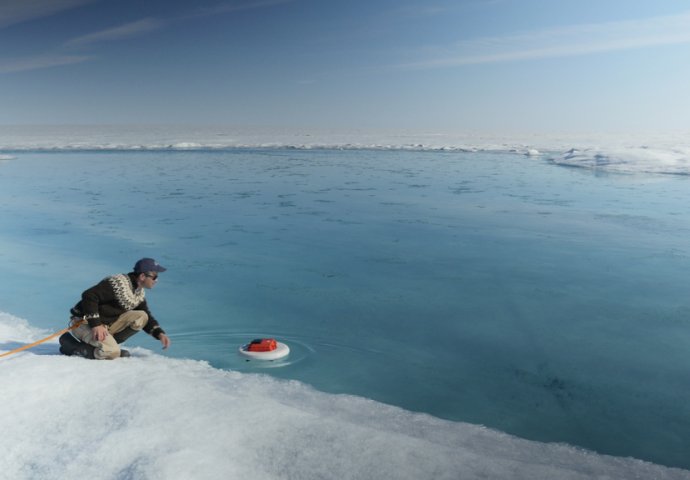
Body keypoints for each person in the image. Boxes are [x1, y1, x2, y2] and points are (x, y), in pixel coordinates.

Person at [59, 258, 171, 359]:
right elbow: (89, 295)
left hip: (105, 325)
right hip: (83, 323)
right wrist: (96, 324)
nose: (156, 280)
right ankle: (75, 347)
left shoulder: (138, 292)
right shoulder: (118, 284)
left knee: (142, 316)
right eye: (154, 277)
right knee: (113, 352)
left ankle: (108, 345)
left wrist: (160, 334)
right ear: (142, 276)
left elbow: (147, 318)